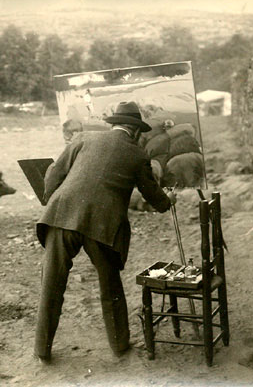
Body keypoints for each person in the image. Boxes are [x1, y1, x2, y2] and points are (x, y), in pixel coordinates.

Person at [34, 101, 177, 363]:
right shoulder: (137, 155)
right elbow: (155, 199)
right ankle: (120, 345)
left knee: (51, 284)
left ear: (114, 125)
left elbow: (54, 173)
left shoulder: (83, 138)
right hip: (102, 225)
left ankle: (42, 350)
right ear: (135, 131)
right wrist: (169, 200)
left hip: (61, 215)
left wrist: (52, 202)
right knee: (109, 284)